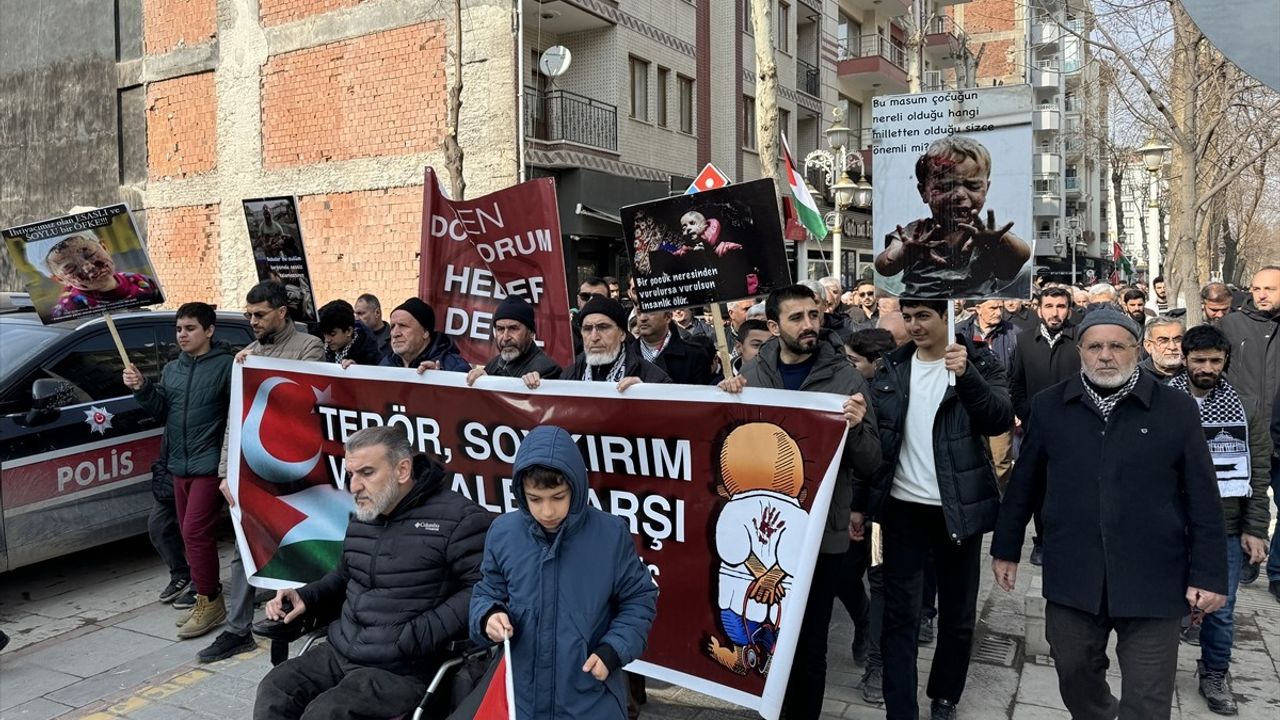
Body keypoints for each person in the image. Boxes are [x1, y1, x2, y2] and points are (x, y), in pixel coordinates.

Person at [991, 308, 1227, 720]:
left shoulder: (1176, 410)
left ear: (1137, 350)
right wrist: (1005, 548)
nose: (1105, 355)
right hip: (1074, 574)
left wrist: (1208, 575)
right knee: (1074, 673)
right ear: (1079, 351)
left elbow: (1204, 498)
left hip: (1154, 578)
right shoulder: (1050, 407)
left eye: (1117, 346)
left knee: (1150, 699)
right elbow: (1024, 484)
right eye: (1095, 346)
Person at [718, 284, 882, 720]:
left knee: (809, 643)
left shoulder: (845, 377)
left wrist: (858, 427)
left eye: (814, 315)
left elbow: (871, 460)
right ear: (773, 327)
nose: (810, 325)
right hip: (763, 537)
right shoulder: (753, 375)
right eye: (797, 318)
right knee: (765, 635)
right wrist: (725, 396)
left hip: (818, 536)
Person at [254, 426, 492, 719]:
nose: (354, 486)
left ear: (402, 469)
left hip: (402, 668)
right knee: (276, 689)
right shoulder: (366, 514)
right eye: (351, 474)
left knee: (326, 713)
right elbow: (346, 575)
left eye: (366, 473)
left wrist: (417, 634)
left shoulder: (459, 519)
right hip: (341, 650)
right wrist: (307, 596)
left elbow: (482, 588)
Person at [856, 298, 1011, 720]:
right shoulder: (891, 368)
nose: (914, 326)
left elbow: (999, 418)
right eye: (908, 318)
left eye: (923, 316)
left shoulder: (978, 360)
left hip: (957, 510)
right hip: (901, 510)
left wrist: (967, 377)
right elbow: (875, 442)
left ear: (946, 315)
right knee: (900, 617)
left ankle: (945, 695)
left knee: (958, 617)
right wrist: (860, 505)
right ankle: (900, 707)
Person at [470, 425, 659, 720]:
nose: (547, 511)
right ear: (521, 493)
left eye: (558, 497)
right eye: (535, 499)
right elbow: (487, 590)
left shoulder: (610, 534)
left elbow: (639, 599)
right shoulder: (503, 532)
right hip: (522, 697)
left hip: (589, 695)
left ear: (576, 486)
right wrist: (489, 616)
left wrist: (613, 650)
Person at [1166, 325, 1270, 714]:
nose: (1207, 367)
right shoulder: (1161, 400)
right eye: (1199, 360)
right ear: (1185, 359)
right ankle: (1155, 669)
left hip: (1224, 526)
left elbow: (1258, 471)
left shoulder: (1246, 406)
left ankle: (1214, 671)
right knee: (1161, 603)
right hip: (1169, 523)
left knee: (1220, 610)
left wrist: (1255, 528)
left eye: (1215, 360)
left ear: (1225, 360)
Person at [122, 303, 235, 647]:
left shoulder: (227, 366)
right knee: (189, 536)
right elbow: (162, 413)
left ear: (209, 331)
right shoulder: (172, 369)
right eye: (179, 329)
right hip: (178, 464)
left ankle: (211, 601)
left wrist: (227, 466)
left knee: (194, 532)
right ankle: (205, 597)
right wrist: (142, 388)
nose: (183, 335)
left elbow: (238, 414)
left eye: (190, 328)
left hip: (208, 465)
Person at [874, 136, 1030, 298]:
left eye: (973, 186)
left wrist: (999, 241)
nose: (960, 195)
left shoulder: (988, 233)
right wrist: (904, 253)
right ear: (923, 192)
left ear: (986, 188)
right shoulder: (915, 233)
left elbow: (1021, 256)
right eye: (945, 187)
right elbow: (883, 266)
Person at [840, 328, 898, 701]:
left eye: (854, 362)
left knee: (879, 581)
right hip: (852, 509)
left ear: (875, 364)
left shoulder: (893, 399)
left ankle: (877, 665)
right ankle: (862, 620)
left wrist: (862, 508)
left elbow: (877, 460)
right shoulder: (848, 394)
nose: (849, 369)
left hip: (880, 515)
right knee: (843, 577)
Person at [1218, 266, 1279, 599]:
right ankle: (1246, 555)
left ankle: (1278, 571)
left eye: (1269, 288)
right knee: (1243, 499)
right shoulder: (1231, 325)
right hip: (1242, 433)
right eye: (1257, 288)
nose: (1262, 294)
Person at [1007, 286, 1080, 565]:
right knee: (1040, 488)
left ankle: (1071, 539)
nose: (1055, 312)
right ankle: (1042, 541)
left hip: (1075, 428)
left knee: (1071, 487)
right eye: (1049, 306)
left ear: (1069, 310)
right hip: (1037, 429)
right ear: (1039, 308)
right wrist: (1028, 416)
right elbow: (1015, 383)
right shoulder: (1025, 340)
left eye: (1060, 306)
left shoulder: (1080, 339)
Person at [526, 296, 669, 391]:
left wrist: (647, 396)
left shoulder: (653, 378)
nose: (594, 337)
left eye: (603, 327)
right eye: (587, 329)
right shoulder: (570, 374)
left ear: (622, 334)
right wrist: (535, 386)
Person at [26, 232, 162, 319]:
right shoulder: (68, 312)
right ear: (59, 279)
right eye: (71, 268)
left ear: (104, 247)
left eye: (90, 254)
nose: (88, 267)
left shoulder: (142, 282)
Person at [958, 299, 1019, 491]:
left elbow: (1018, 375)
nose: (998, 312)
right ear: (978, 309)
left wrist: (1015, 408)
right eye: (993, 307)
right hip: (969, 407)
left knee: (1001, 461)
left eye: (1000, 307)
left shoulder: (1014, 333)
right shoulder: (959, 332)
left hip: (1002, 406)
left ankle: (998, 500)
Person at [464, 294, 561, 385]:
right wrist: (481, 380)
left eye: (513, 328)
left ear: (531, 333)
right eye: (500, 329)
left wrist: (537, 387)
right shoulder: (494, 364)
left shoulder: (547, 370)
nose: (506, 337)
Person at [149, 439, 195, 610]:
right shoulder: (173, 412)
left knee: (195, 532)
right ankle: (181, 574)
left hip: (201, 468)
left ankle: (203, 588)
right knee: (158, 526)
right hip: (173, 471)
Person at [236, 281, 326, 364]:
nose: (252, 322)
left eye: (259, 315)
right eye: (249, 315)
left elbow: (306, 381)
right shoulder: (249, 351)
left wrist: (259, 365)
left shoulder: (310, 346)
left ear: (281, 312)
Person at [380, 297, 470, 372]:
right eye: (392, 327)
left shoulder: (453, 367)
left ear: (425, 332)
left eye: (403, 326)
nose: (395, 333)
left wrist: (442, 380)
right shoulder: (385, 364)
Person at [631, 308, 714, 385]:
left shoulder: (695, 356)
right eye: (639, 313)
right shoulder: (625, 355)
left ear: (667, 317)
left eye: (650, 312)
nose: (642, 318)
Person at [317, 300, 382, 366]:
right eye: (325, 334)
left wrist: (358, 370)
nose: (327, 340)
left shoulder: (370, 354)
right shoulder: (324, 351)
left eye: (332, 334)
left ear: (349, 331)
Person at [1139, 316, 1185, 383]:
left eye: (1178, 340)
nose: (1172, 347)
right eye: (1163, 341)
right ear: (1148, 346)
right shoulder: (1136, 376)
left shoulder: (1196, 372)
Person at [572, 277, 611, 355]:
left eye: (598, 298)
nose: (591, 302)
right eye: (585, 297)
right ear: (578, 300)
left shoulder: (618, 332)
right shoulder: (568, 333)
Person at [353, 293, 391, 359]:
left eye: (361, 313)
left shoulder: (394, 338)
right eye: (356, 314)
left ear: (377, 313)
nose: (357, 318)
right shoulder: (355, 338)